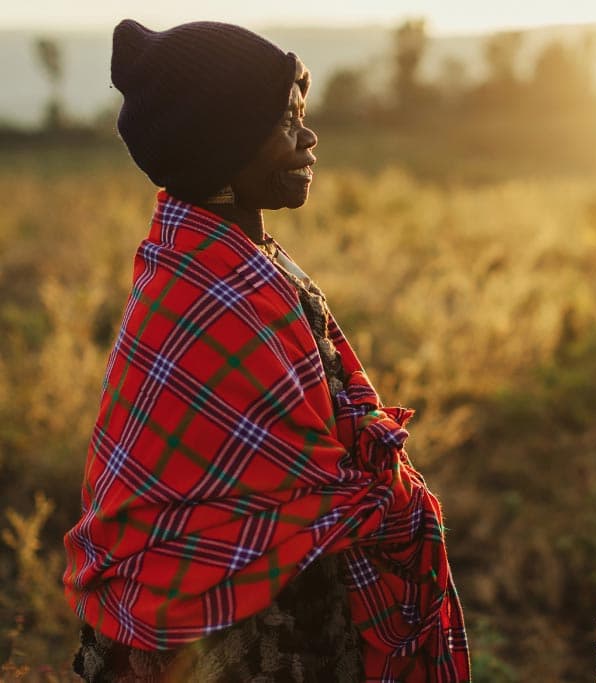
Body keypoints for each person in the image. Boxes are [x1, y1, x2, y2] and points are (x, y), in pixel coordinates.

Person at [63, 19, 470, 681]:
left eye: (302, 115)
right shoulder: (214, 290)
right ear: (221, 148)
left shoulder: (226, 263)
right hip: (232, 627)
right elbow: (300, 479)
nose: (309, 138)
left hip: (247, 594)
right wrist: (379, 496)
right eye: (286, 121)